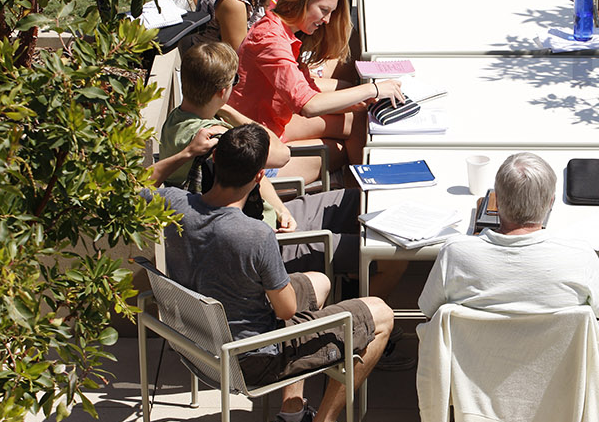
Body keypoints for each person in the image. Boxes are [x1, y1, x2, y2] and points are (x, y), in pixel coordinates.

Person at [148, 124, 395, 422]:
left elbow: (132, 186)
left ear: (214, 159)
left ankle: (292, 414)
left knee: (319, 281)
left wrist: (187, 152)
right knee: (380, 313)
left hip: (199, 346)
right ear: (259, 176)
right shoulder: (254, 236)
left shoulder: (174, 204)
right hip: (250, 360)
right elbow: (285, 311)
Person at [162, 42, 413, 292]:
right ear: (222, 91)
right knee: (390, 254)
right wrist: (230, 112)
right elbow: (280, 154)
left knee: (357, 200)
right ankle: (360, 304)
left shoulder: (177, 120)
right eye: (234, 81)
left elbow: (258, 177)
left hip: (272, 217)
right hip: (266, 241)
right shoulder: (217, 138)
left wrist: (282, 210)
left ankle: (352, 276)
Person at [230, 0, 404, 183]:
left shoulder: (277, 29)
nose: (327, 21)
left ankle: (358, 192)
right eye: (324, 10)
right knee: (341, 150)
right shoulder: (270, 40)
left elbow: (305, 88)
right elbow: (308, 105)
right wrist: (372, 88)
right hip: (254, 148)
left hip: (269, 124)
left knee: (358, 118)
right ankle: (357, 198)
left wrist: (356, 100)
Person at [418, 153, 599, 324]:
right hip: (559, 364)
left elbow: (428, 309)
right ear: (551, 202)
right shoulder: (581, 256)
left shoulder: (455, 253)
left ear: (496, 201)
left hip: (470, 364)